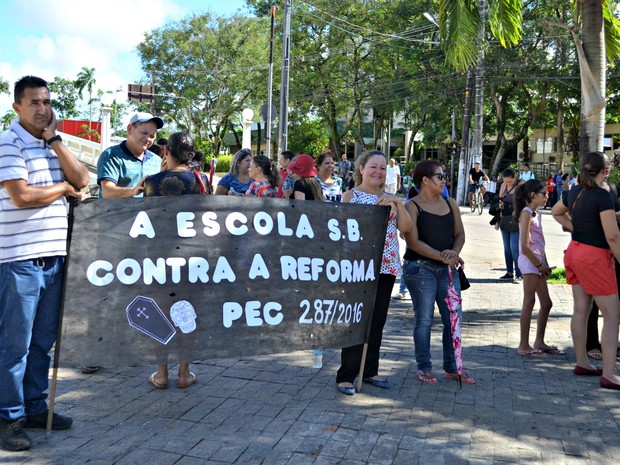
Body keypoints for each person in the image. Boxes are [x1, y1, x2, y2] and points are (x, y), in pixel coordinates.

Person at [0, 75, 89, 451]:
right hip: (20, 260)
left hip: (54, 260)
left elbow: (84, 178)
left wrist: (55, 141)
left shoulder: (51, 145)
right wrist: (64, 190)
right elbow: (22, 196)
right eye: (34, 102)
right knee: (14, 345)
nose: (43, 109)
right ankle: (8, 417)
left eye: (47, 102)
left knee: (42, 343)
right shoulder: (7, 143)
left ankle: (35, 407)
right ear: (17, 106)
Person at [335, 150, 413, 395]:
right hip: (357, 268)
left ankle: (370, 370)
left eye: (382, 168)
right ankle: (347, 374)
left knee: (377, 320)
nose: (378, 172)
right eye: (373, 167)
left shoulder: (390, 198)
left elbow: (407, 229)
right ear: (361, 169)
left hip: (386, 265)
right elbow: (338, 230)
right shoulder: (351, 196)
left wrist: (397, 203)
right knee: (354, 319)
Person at [144, 132, 208, 389]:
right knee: (187, 312)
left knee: (159, 311)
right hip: (191, 256)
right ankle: (184, 372)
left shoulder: (151, 182)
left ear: (165, 152)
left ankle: (161, 374)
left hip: (159, 255)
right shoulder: (200, 180)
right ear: (191, 155)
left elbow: (145, 218)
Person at [402, 159, 475, 386]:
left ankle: (453, 367)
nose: (444, 180)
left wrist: (452, 254)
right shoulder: (411, 206)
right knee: (424, 320)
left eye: (444, 176)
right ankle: (424, 367)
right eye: (440, 176)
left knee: (453, 318)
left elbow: (459, 234)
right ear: (425, 180)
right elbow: (412, 242)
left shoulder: (450, 202)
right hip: (419, 269)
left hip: (447, 270)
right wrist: (443, 256)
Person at [551, 152, 620, 390]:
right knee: (612, 316)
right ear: (605, 171)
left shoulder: (576, 191)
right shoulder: (602, 196)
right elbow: (612, 235)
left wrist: (576, 228)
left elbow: (556, 212)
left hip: (575, 251)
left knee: (581, 309)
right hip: (594, 257)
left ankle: (583, 362)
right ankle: (609, 374)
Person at [513, 179, 563, 357]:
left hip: (538, 263)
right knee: (529, 302)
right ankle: (523, 345)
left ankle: (539, 341)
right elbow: (525, 246)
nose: (547, 196)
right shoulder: (526, 213)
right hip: (530, 262)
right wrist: (540, 265)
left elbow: (539, 243)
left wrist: (545, 264)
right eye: (544, 193)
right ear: (533, 195)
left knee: (546, 303)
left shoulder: (536, 213)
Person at [97, 112, 164, 198]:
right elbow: (107, 191)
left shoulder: (157, 160)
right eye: (144, 133)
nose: (148, 139)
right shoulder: (111, 155)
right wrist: (132, 191)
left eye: (152, 136)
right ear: (129, 129)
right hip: (116, 211)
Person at [498, 168, 522, 282]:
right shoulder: (503, 185)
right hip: (505, 219)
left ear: (515, 177)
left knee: (514, 247)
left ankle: (519, 273)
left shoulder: (521, 185)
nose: (508, 183)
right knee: (507, 248)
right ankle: (509, 272)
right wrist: (500, 204)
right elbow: (499, 199)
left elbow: (525, 201)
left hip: (516, 220)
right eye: (506, 181)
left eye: (510, 182)